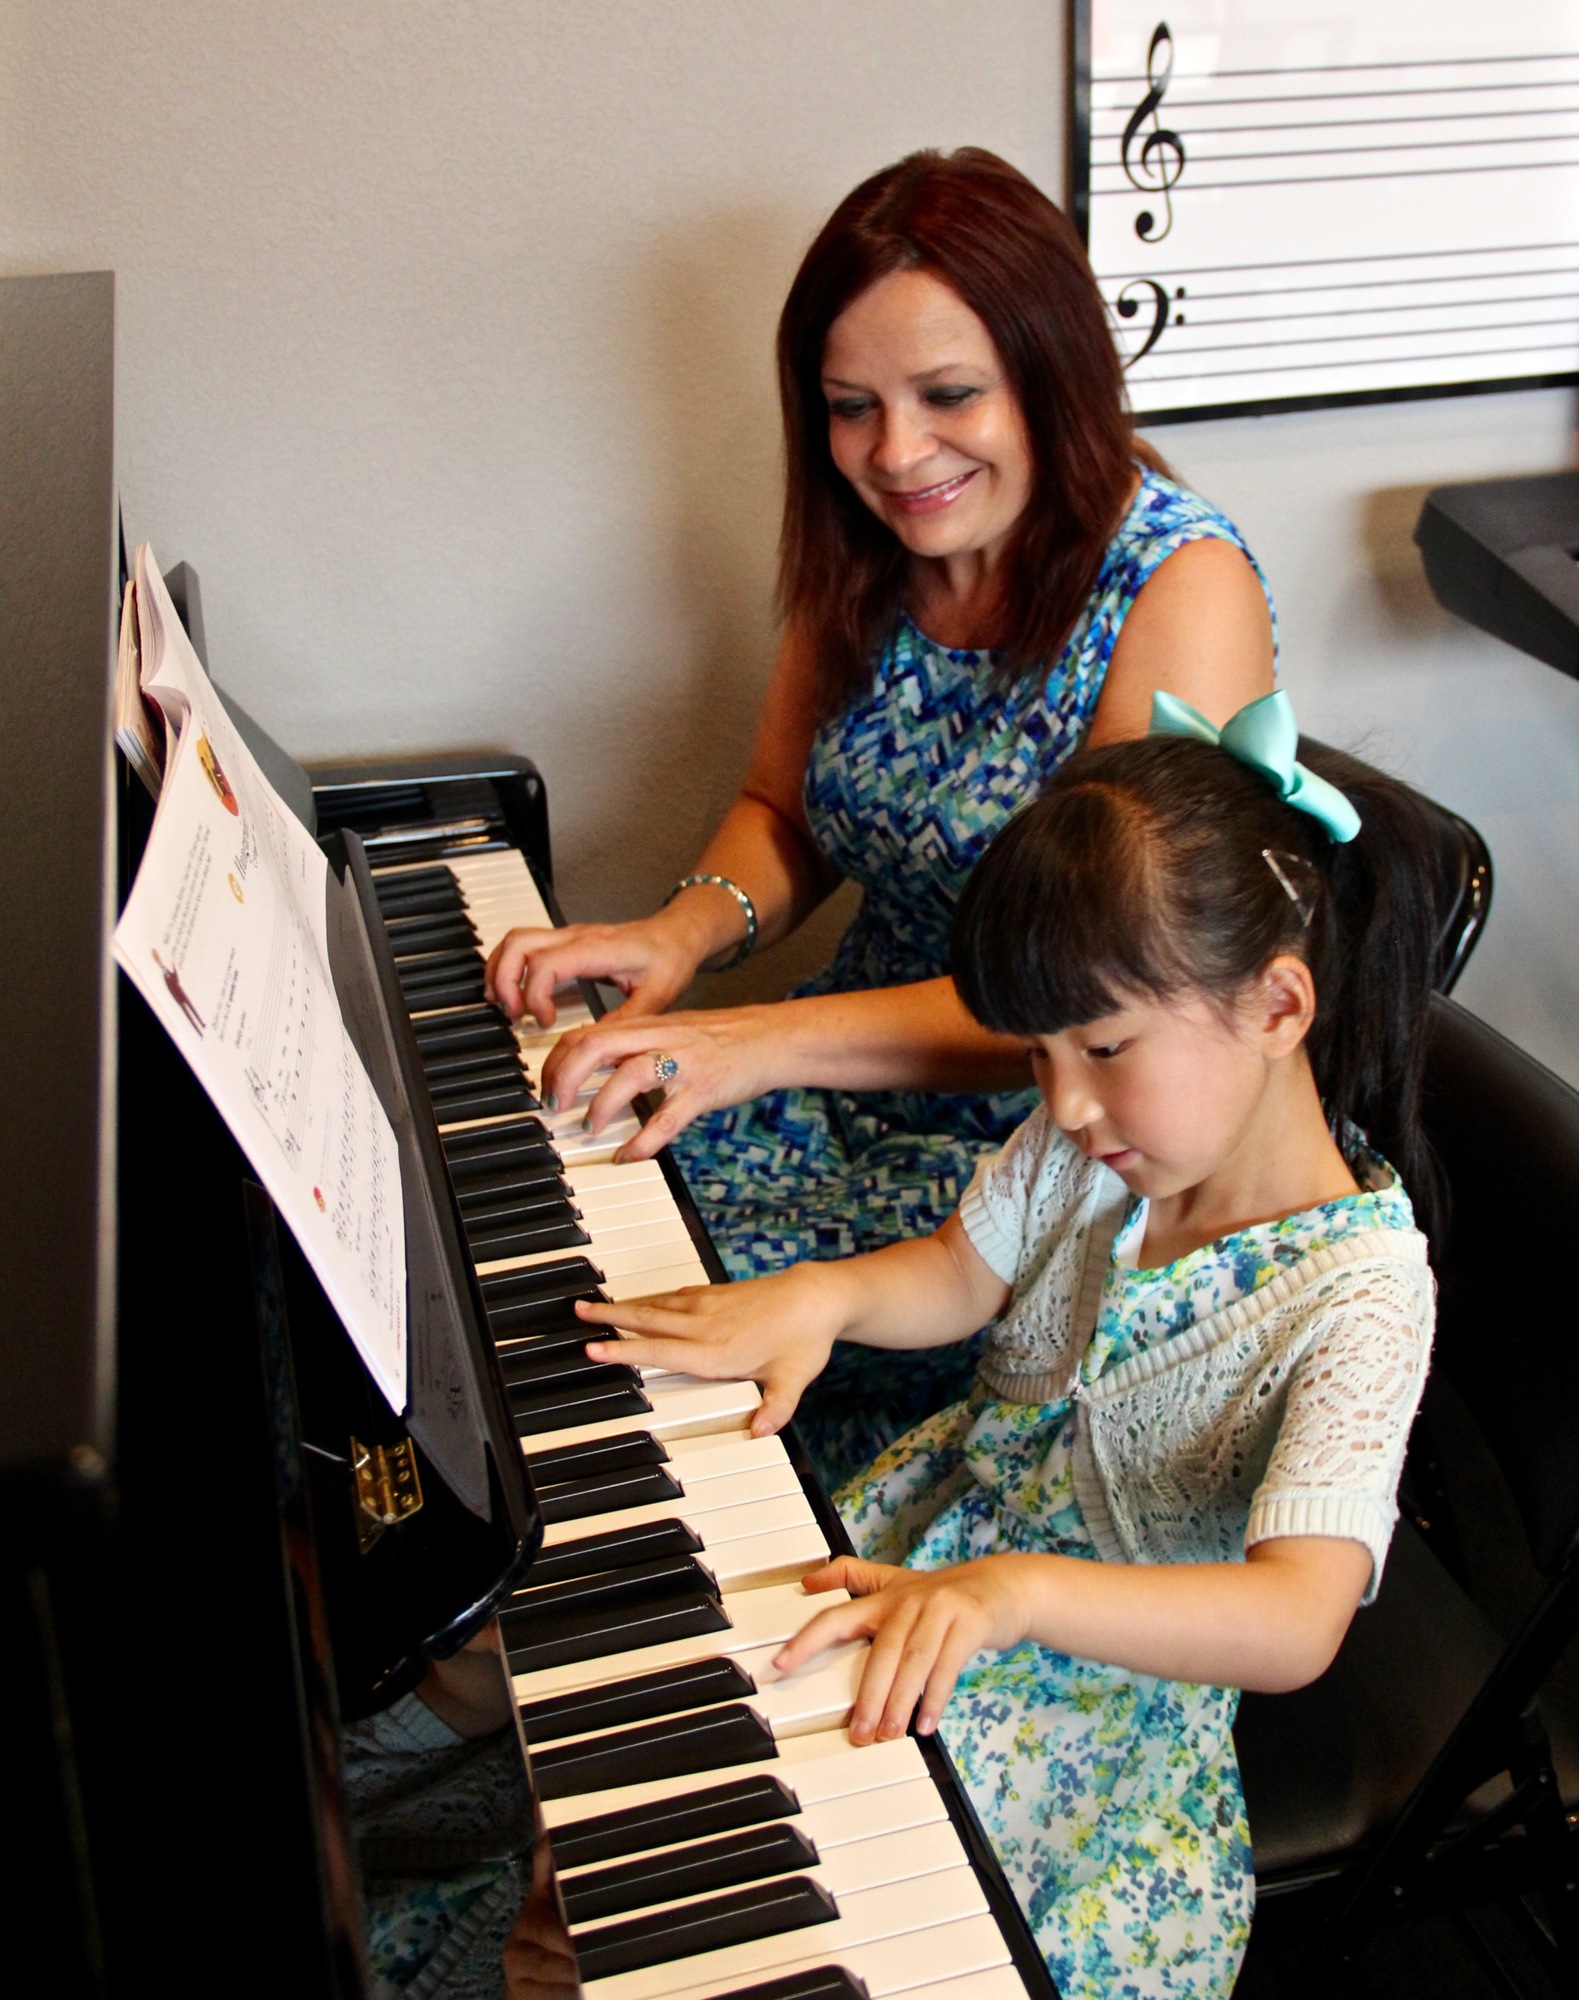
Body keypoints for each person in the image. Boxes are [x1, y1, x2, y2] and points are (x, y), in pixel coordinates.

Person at [570, 695, 1442, 1999]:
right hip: (928, 1548)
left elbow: (1295, 1616)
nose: (1063, 1101)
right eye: (1038, 1054)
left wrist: (1018, 1593)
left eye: (1099, 1047)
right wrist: (822, 1297)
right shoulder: (1107, 1138)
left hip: (1096, 1710)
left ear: (1277, 1006)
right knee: (633, 1785)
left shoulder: (1363, 1292)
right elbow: (960, 1274)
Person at [486, 147, 1277, 1490]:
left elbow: (1089, 1002)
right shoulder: (875, 550)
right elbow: (781, 811)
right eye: (853, 408)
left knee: (603, 1320)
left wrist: (746, 1046)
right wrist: (684, 938)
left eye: (949, 395)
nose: (897, 453)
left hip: (1047, 1144)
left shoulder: (1178, 590)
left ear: (1055, 376)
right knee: (537, 1170)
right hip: (846, 1072)